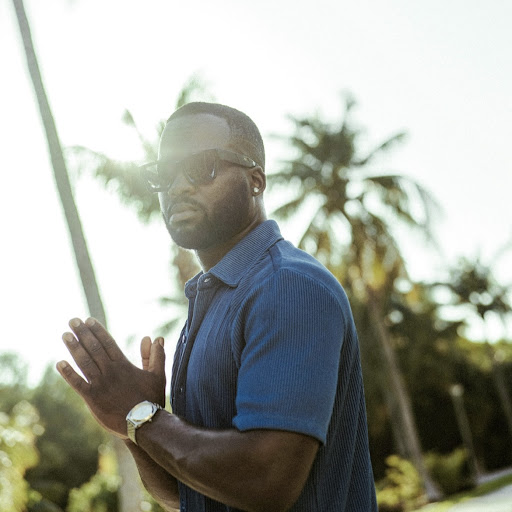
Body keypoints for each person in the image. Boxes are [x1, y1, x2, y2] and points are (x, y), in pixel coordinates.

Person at [58, 102, 378, 512]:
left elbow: (266, 481)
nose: (178, 186)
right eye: (165, 173)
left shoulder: (287, 286)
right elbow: (186, 494)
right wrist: (134, 426)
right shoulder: (211, 303)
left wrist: (144, 417)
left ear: (255, 181)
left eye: (201, 167)